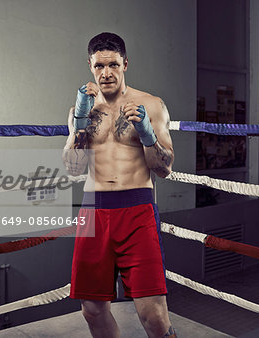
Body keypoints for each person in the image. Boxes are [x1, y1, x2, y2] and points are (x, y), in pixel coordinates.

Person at [63, 32, 176, 338]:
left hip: (137, 210)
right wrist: (81, 122)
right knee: (92, 309)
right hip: (93, 211)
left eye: (113, 64)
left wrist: (147, 134)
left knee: (153, 314)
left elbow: (164, 168)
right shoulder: (80, 109)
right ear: (90, 65)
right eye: (99, 66)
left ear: (125, 63)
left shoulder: (151, 105)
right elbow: (73, 167)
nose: (106, 73)